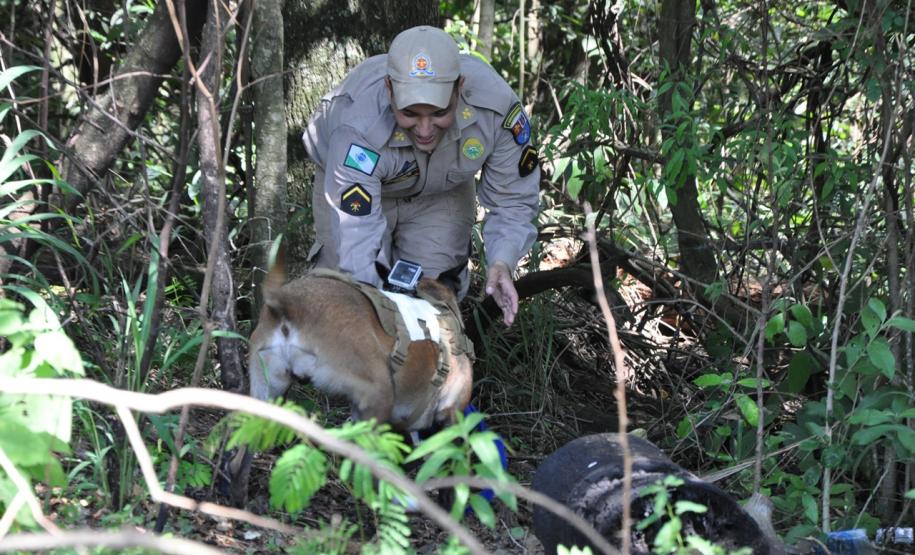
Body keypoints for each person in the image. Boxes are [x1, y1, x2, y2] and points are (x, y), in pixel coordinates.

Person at [302, 25, 540, 326]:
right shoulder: (357, 126)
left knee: (435, 303)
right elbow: (357, 240)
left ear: (459, 88)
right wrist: (373, 311)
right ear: (390, 90)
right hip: (358, 192)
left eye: (439, 113)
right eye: (410, 114)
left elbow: (513, 200)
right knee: (349, 301)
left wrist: (502, 262)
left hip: (441, 193)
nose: (425, 130)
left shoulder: (495, 109)